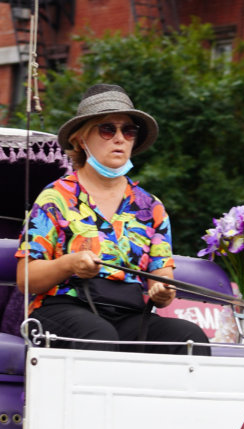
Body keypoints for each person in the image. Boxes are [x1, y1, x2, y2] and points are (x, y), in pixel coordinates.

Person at [17, 84, 208, 353]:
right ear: (80, 140)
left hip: (129, 314)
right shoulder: (55, 197)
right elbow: (26, 279)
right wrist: (69, 264)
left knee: (188, 337)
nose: (120, 138)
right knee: (99, 335)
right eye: (108, 129)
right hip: (62, 308)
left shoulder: (151, 206)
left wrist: (163, 291)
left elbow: (162, 279)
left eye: (128, 131)